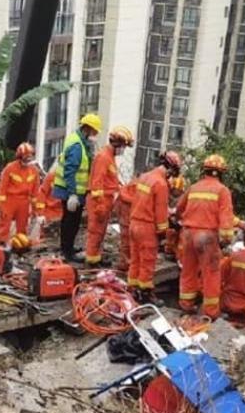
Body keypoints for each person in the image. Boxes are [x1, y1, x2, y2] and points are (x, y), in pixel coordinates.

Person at [175, 155, 236, 317]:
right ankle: (210, 312)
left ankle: (186, 305)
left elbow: (179, 209)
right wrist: (226, 239)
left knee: (188, 270)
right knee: (211, 274)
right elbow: (225, 218)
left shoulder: (194, 187)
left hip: (187, 234)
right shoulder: (222, 191)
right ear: (222, 173)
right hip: (207, 236)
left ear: (205, 171)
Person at [128, 151, 181, 304]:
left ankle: (132, 290)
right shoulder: (161, 184)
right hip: (147, 228)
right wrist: (164, 231)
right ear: (171, 169)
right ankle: (145, 294)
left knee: (135, 260)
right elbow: (160, 212)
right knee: (147, 262)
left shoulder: (145, 177)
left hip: (134, 223)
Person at [52, 113, 103, 261]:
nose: (95, 135)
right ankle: (67, 252)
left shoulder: (79, 140)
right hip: (71, 191)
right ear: (87, 129)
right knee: (70, 222)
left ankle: (67, 247)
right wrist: (72, 194)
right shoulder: (77, 146)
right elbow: (70, 171)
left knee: (71, 221)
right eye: (94, 132)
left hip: (73, 191)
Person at [85, 126, 133, 266]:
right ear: (117, 143)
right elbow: (97, 183)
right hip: (99, 200)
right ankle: (92, 260)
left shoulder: (109, 157)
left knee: (100, 231)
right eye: (124, 146)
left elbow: (110, 179)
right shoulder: (103, 157)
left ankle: (95, 257)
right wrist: (99, 203)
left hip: (106, 199)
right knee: (95, 231)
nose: (123, 149)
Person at [0, 142, 39, 242]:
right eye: (25, 158)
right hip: (9, 201)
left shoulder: (34, 171)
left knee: (22, 226)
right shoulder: (10, 168)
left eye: (30, 157)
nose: (28, 160)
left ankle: (20, 248)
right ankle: (1, 244)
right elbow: (2, 189)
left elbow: (35, 193)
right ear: (19, 157)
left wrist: (35, 210)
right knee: (4, 226)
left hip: (24, 202)